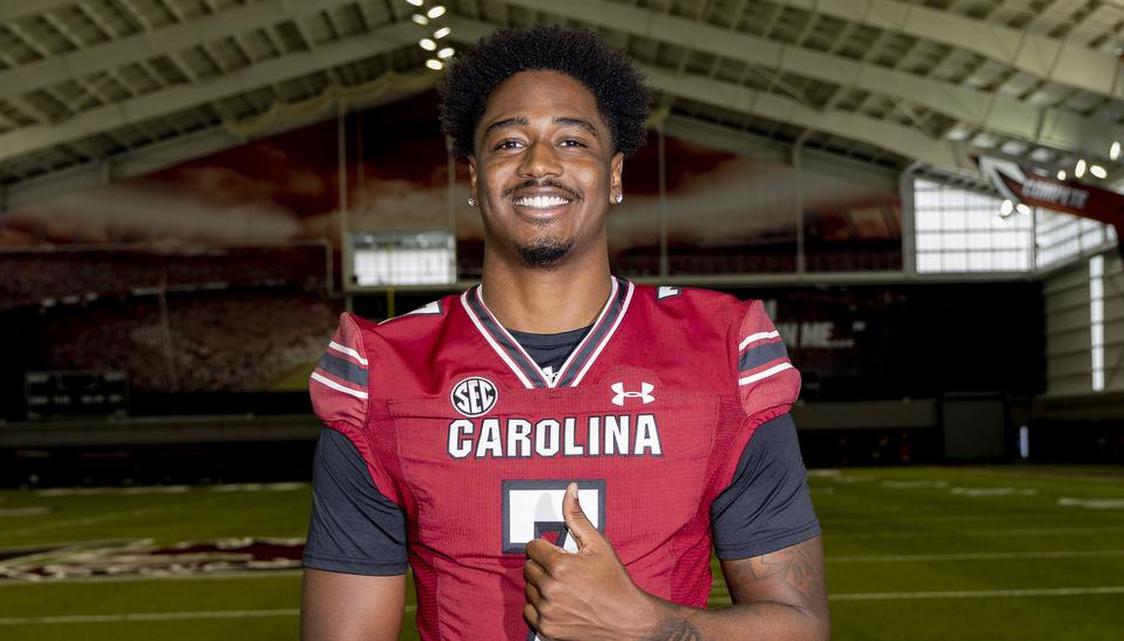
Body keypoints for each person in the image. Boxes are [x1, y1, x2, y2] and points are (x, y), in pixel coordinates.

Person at [301, 24, 829, 641]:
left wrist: (647, 624)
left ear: (615, 175)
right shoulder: (384, 371)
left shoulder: (720, 352)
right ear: (474, 180)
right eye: (508, 143)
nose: (539, 164)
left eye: (573, 140)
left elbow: (799, 628)